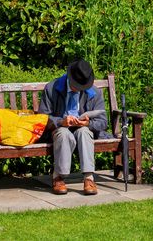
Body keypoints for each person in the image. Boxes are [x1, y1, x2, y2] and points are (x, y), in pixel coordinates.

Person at [41, 59, 107, 195]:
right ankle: (58, 177)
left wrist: (88, 123)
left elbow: (103, 122)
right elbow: (42, 118)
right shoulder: (52, 88)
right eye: (77, 85)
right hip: (59, 129)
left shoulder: (94, 92)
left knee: (84, 132)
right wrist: (60, 122)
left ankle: (89, 178)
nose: (80, 88)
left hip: (83, 128)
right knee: (63, 134)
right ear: (70, 78)